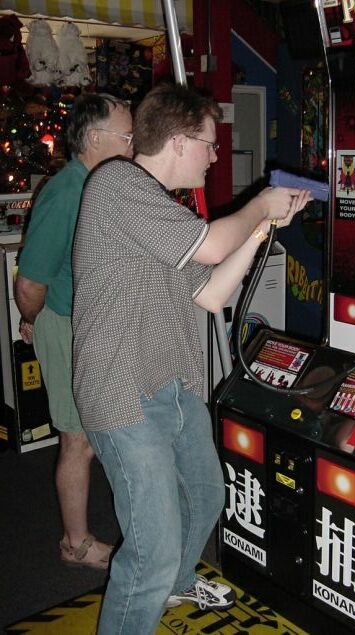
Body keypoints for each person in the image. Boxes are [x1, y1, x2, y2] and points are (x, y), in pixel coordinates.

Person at [72, 82, 311, 634]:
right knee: (151, 554)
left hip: (173, 388)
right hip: (124, 395)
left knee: (206, 497)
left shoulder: (157, 209)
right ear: (178, 141)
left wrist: (262, 227)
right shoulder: (116, 184)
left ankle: (176, 585)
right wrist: (260, 203)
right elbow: (210, 246)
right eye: (209, 143)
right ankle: (155, 591)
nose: (215, 156)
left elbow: (211, 293)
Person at [15, 93, 133, 569]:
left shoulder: (99, 185)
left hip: (91, 324)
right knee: (77, 439)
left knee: (96, 432)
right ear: (94, 139)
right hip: (65, 326)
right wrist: (33, 319)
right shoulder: (67, 192)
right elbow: (30, 283)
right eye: (127, 137)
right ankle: (75, 543)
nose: (132, 146)